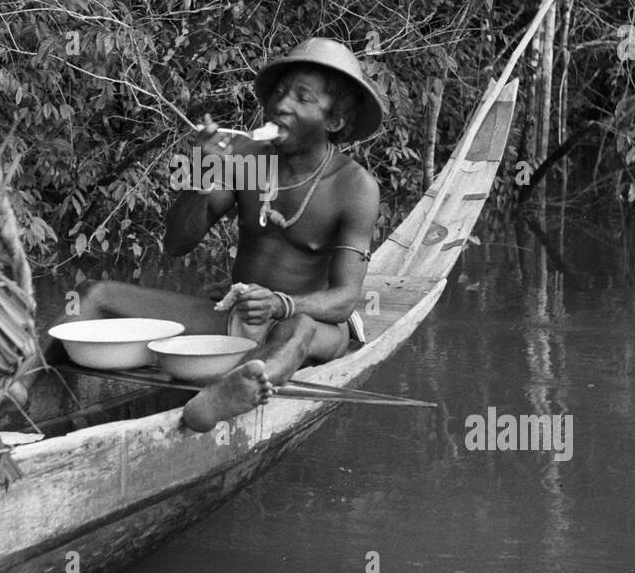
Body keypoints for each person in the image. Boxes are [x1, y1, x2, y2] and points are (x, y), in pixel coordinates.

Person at [36, 37, 384, 430]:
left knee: (296, 329)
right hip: (237, 317)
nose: (281, 105)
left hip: (312, 324)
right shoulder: (247, 158)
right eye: (280, 93)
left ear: (334, 121)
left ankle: (226, 393)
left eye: (302, 98)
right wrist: (204, 171)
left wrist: (281, 304)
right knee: (93, 295)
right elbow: (176, 244)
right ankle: (16, 387)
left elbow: (344, 300)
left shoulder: (354, 186)